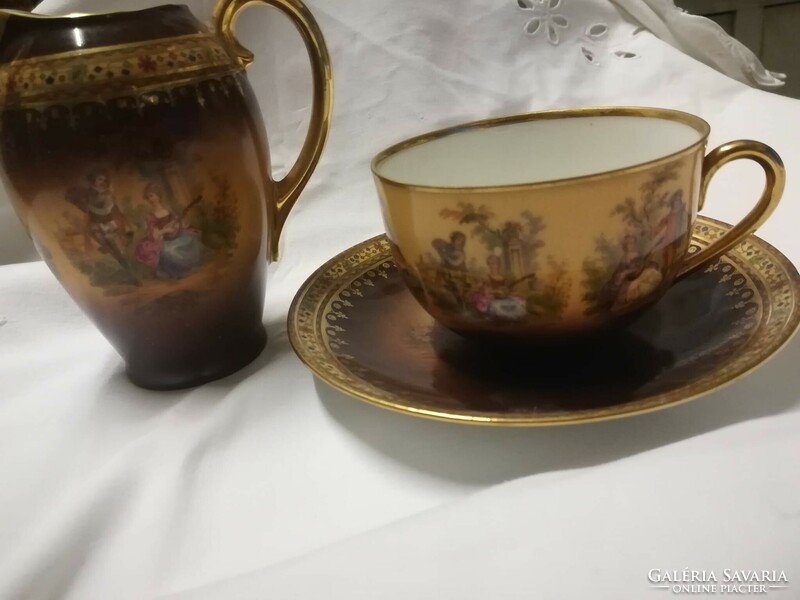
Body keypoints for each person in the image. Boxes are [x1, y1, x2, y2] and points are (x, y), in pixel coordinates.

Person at [135, 183, 205, 278]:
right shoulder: (151, 217)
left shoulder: (169, 211)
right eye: (148, 197)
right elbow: (155, 235)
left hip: (175, 237)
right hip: (163, 241)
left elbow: (177, 224)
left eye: (152, 196)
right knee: (168, 252)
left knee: (191, 239)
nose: (150, 199)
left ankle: (193, 265)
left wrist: (178, 226)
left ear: (158, 195)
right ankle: (180, 271)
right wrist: (165, 230)